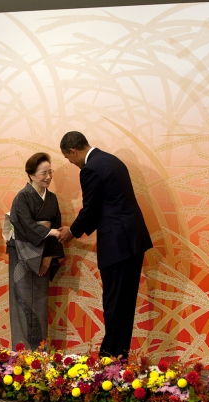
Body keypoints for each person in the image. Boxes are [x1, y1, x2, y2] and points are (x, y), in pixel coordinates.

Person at [57, 131, 152, 358]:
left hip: (117, 245)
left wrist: (71, 232)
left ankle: (109, 359)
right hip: (133, 241)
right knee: (125, 303)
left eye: (69, 159)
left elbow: (90, 210)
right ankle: (119, 357)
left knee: (114, 303)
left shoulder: (90, 169)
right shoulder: (111, 160)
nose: (72, 163)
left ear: (73, 151)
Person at [7, 152, 64, 350]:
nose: (48, 177)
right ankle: (21, 352)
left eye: (50, 172)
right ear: (31, 175)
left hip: (43, 254)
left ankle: (40, 351)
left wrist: (48, 258)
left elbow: (57, 226)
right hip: (22, 253)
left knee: (39, 301)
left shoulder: (52, 199)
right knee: (21, 299)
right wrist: (50, 232)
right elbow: (25, 225)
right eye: (43, 173)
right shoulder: (22, 197)